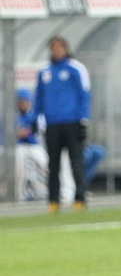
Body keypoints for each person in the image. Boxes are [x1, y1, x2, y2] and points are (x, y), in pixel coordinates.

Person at [34, 36, 91, 213]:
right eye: (53, 48)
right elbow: (39, 98)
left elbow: (85, 95)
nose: (57, 51)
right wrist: (36, 119)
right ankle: (53, 200)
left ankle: (80, 198)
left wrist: (83, 120)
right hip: (52, 124)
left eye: (60, 47)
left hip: (72, 123)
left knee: (76, 162)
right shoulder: (44, 71)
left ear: (66, 48)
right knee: (53, 165)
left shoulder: (76, 68)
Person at [15, 89, 48, 202]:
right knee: (19, 159)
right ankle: (19, 195)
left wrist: (25, 133)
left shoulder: (34, 116)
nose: (23, 103)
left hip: (33, 146)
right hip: (18, 147)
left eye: (25, 101)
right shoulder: (11, 117)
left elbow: (36, 132)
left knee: (44, 162)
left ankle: (43, 192)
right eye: (20, 101)